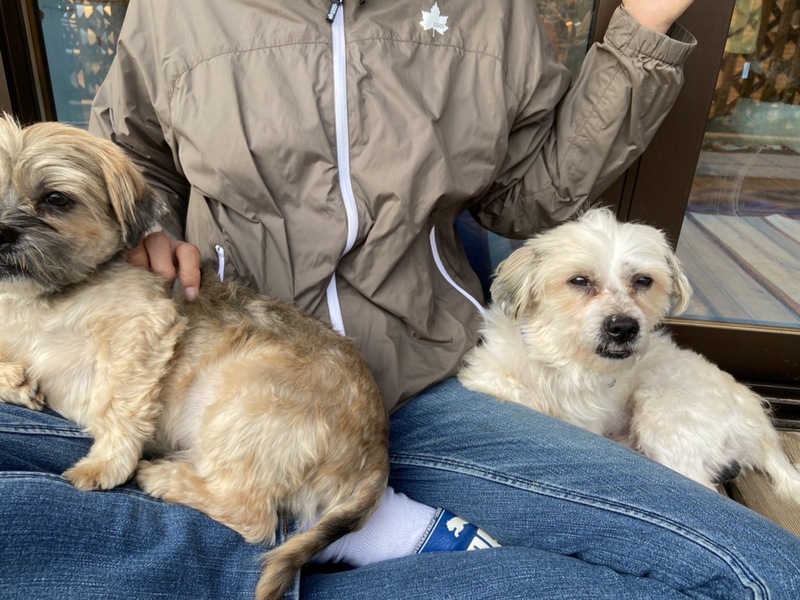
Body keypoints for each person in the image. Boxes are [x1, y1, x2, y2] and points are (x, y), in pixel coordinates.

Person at [3, 0, 800, 598]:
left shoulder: (493, 12)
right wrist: (153, 230)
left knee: (760, 570)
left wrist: (642, 28)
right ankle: (345, 542)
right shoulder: (172, 10)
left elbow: (526, 199)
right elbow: (136, 158)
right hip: (190, 379)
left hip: (426, 386)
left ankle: (288, 547)